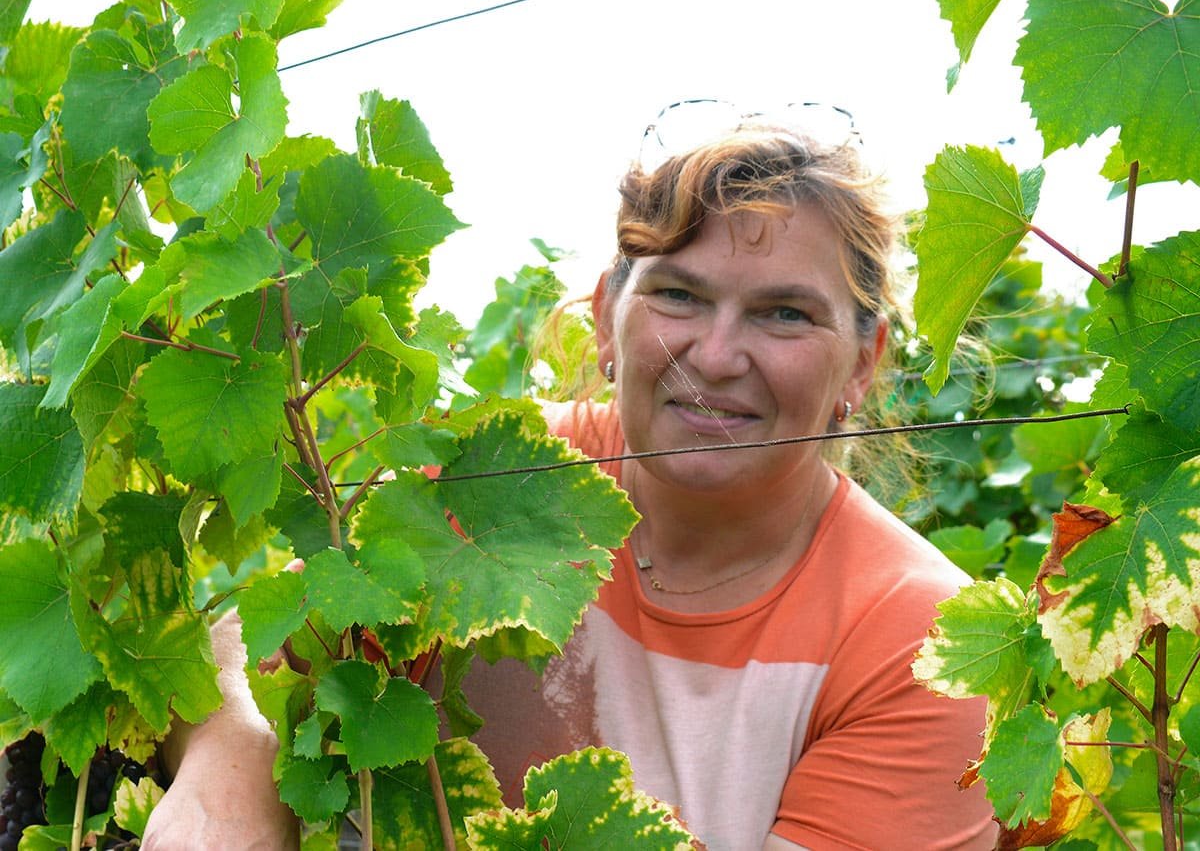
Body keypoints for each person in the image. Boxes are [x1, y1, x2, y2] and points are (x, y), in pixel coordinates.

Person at [145, 101, 995, 850]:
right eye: (679, 296)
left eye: (784, 313)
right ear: (604, 318)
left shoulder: (920, 643)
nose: (718, 354)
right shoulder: (500, 480)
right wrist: (236, 759)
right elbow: (249, 647)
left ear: (862, 364)